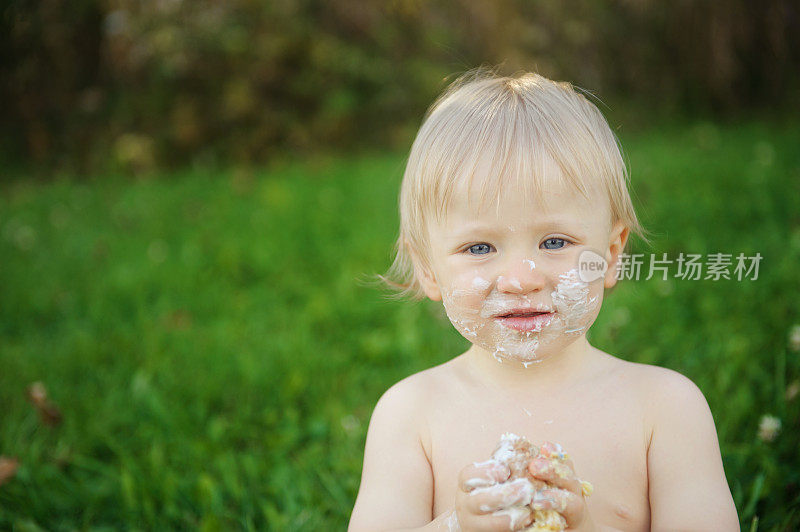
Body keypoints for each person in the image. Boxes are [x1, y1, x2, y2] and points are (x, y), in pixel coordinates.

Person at [348, 68, 739, 531]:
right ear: (428, 270)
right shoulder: (411, 414)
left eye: (554, 242)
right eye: (480, 248)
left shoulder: (665, 410)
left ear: (610, 255)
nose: (520, 279)